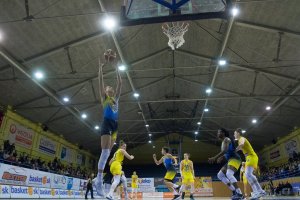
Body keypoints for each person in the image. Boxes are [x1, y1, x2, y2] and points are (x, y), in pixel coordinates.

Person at [95, 52, 122, 196]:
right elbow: (100, 82)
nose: (109, 87)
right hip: (106, 123)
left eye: (110, 87)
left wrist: (116, 66)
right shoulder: (104, 98)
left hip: (115, 125)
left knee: (107, 153)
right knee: (105, 151)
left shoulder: (116, 98)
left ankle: (99, 178)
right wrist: (100, 68)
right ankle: (99, 180)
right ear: (105, 91)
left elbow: (120, 83)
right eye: (107, 87)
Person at [208, 128, 243, 200]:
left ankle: (239, 193)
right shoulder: (223, 142)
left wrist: (215, 157)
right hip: (230, 160)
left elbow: (225, 150)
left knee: (229, 174)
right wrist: (222, 157)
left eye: (219, 132)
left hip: (235, 158)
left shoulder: (227, 139)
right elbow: (228, 152)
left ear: (223, 133)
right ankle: (234, 191)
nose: (218, 133)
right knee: (220, 175)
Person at [234, 128, 266, 199]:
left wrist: (234, 150)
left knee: (248, 174)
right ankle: (260, 191)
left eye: (234, 133)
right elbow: (241, 148)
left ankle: (257, 192)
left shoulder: (241, 138)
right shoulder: (240, 140)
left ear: (238, 133)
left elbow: (241, 144)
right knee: (248, 174)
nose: (234, 135)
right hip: (250, 157)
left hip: (251, 157)